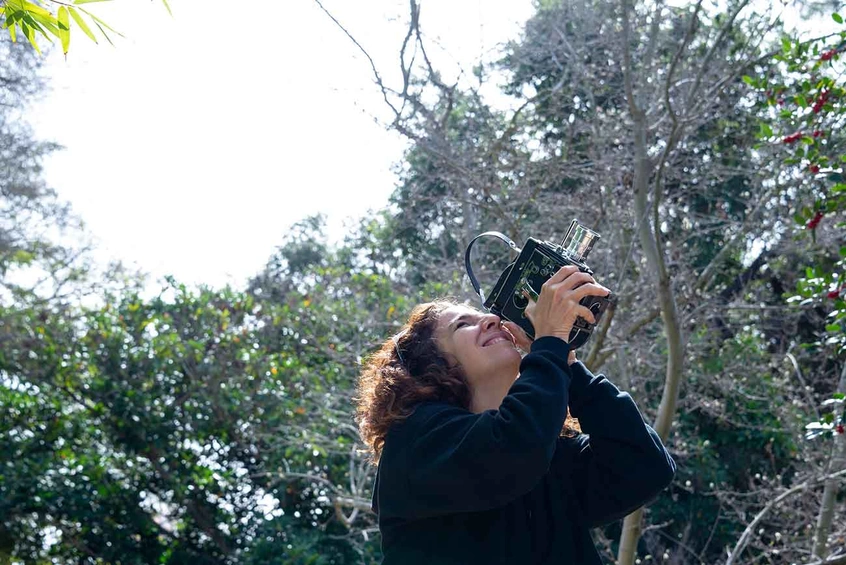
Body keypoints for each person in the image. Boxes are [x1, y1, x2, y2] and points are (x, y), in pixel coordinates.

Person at [355, 265, 676, 565]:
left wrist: (569, 367)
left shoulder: (544, 451)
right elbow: (512, 448)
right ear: (432, 368)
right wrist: (550, 345)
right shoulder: (415, 443)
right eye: (463, 325)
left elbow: (645, 466)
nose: (493, 320)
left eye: (487, 316)